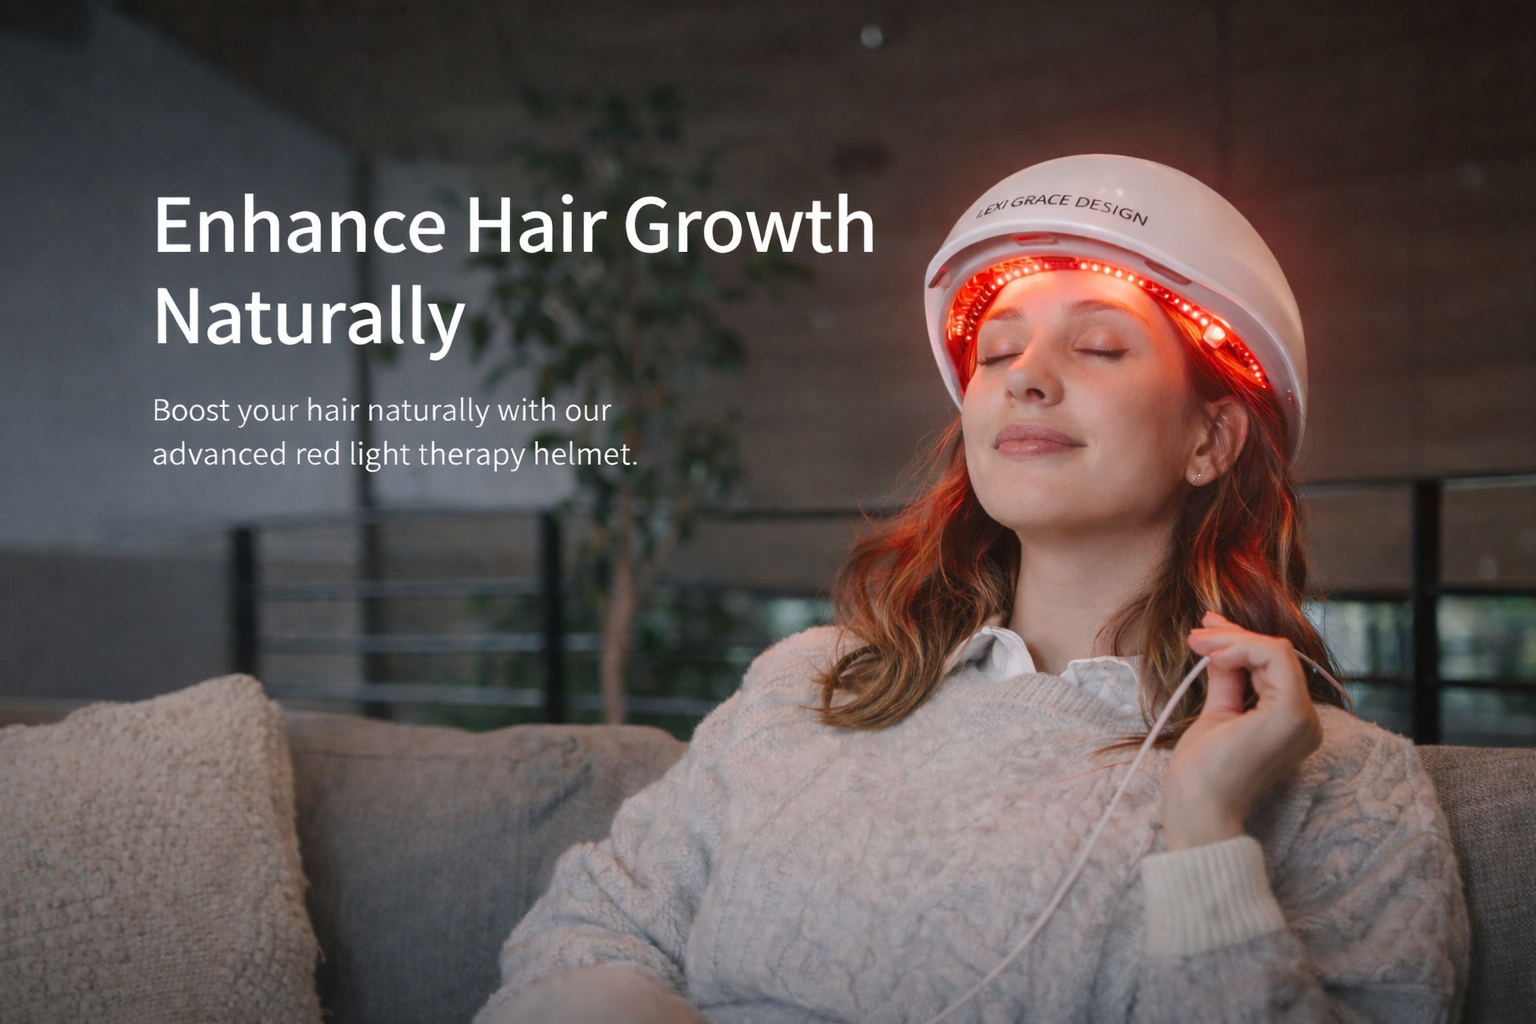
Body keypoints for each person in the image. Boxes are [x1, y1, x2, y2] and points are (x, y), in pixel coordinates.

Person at [473, 155, 1471, 1024]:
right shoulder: (810, 683)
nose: (1024, 377)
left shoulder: (1343, 784)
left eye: (1098, 344)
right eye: (998, 350)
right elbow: (587, 935)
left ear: (1210, 438)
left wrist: (1206, 830)